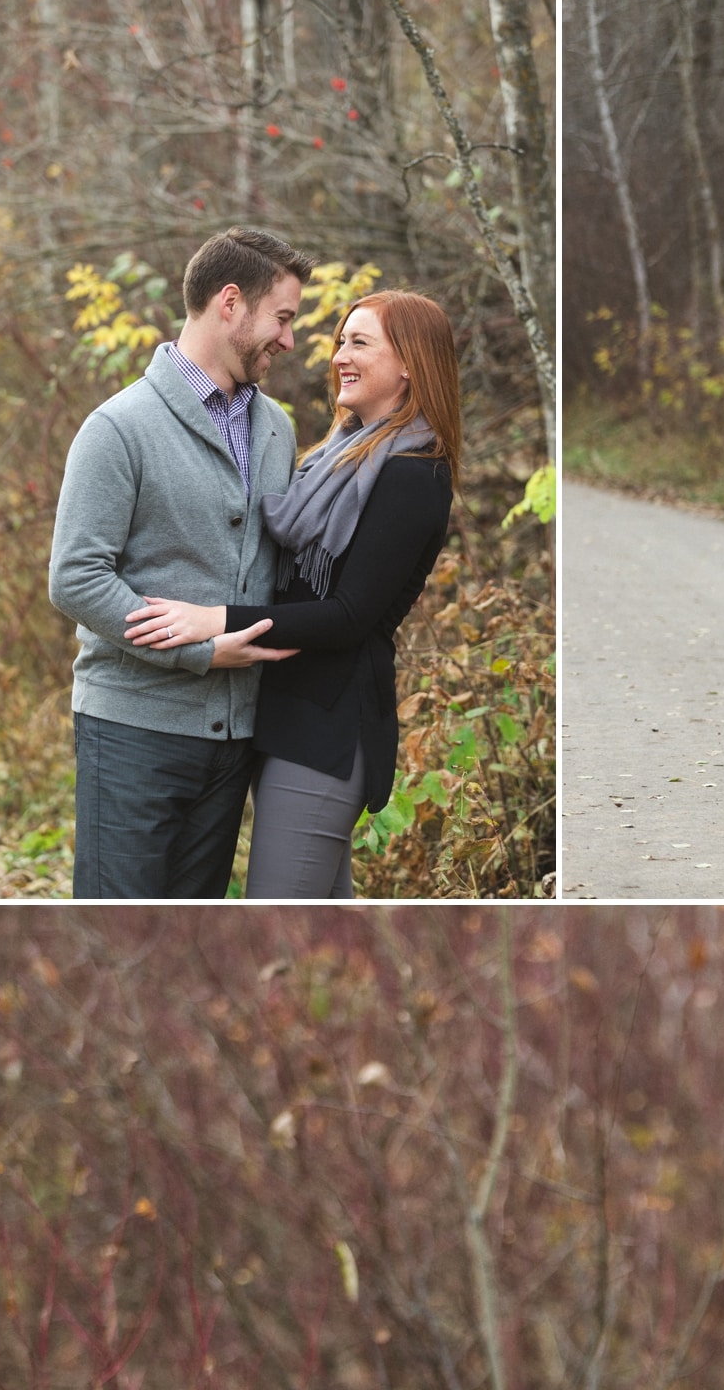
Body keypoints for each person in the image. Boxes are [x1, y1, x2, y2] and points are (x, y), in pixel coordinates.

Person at [124, 291, 458, 900]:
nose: (339, 357)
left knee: (277, 917)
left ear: (409, 363)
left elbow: (348, 617)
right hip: (289, 716)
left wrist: (213, 620)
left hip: (329, 727)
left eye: (360, 343)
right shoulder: (335, 462)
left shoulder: (414, 475)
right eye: (340, 342)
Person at [49, 226, 310, 899]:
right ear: (230, 304)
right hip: (132, 729)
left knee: (195, 931)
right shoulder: (118, 428)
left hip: (234, 741)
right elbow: (77, 577)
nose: (288, 339)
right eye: (281, 318)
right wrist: (199, 651)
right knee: (120, 930)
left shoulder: (277, 428)